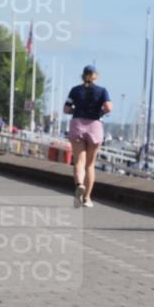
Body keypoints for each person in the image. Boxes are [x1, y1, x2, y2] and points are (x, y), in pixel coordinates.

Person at [64, 65, 112, 208]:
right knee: (90, 165)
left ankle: (79, 184)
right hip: (95, 126)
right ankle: (87, 198)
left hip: (78, 123)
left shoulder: (75, 90)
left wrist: (76, 109)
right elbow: (109, 107)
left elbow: (66, 109)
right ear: (95, 76)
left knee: (79, 162)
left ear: (83, 75)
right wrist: (100, 112)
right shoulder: (102, 91)